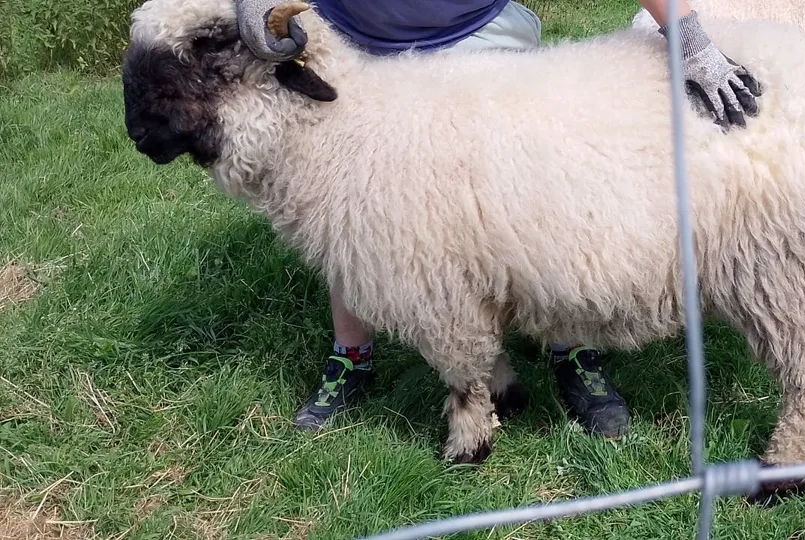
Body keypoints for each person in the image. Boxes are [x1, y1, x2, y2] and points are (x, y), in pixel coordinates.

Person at [234, 0, 763, 438]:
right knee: (349, 210)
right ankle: (353, 356)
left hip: (477, 31)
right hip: (351, 40)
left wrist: (687, 36)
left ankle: (573, 349)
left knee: (534, 193)